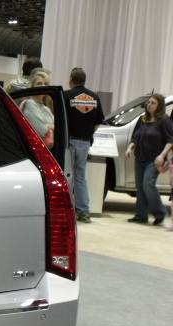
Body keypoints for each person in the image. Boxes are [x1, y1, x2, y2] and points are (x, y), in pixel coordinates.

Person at [64, 67, 105, 223]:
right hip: (85, 142)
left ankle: (65, 209)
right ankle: (83, 212)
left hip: (69, 142)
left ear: (71, 79)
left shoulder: (66, 95)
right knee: (80, 177)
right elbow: (98, 121)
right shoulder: (94, 97)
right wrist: (88, 134)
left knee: (66, 176)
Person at [125, 94, 173, 226]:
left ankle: (160, 212)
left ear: (160, 105)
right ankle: (141, 216)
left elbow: (170, 140)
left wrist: (162, 155)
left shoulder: (164, 121)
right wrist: (130, 147)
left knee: (148, 185)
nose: (149, 105)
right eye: (148, 102)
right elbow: (135, 137)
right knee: (140, 188)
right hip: (140, 157)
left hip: (154, 159)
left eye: (153, 103)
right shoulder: (142, 119)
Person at [18, 69, 54, 147]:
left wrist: (48, 127)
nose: (43, 86)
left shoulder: (45, 108)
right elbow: (42, 130)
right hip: (31, 149)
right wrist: (50, 127)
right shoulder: (29, 103)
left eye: (46, 83)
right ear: (32, 85)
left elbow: (58, 129)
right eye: (39, 83)